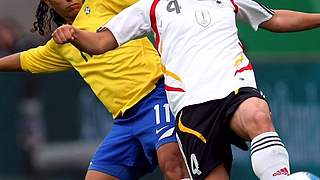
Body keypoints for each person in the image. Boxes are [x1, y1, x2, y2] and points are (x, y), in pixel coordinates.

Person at [51, 0, 320, 179]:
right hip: (192, 110)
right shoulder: (150, 6)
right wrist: (73, 35)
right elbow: (100, 42)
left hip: (234, 90)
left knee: (258, 115)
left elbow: (275, 19)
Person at [0, 0, 190, 179]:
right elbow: (25, 59)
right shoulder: (62, 45)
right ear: (47, 2)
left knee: (173, 162)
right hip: (125, 121)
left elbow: (153, 6)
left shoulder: (102, 3)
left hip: (157, 97)